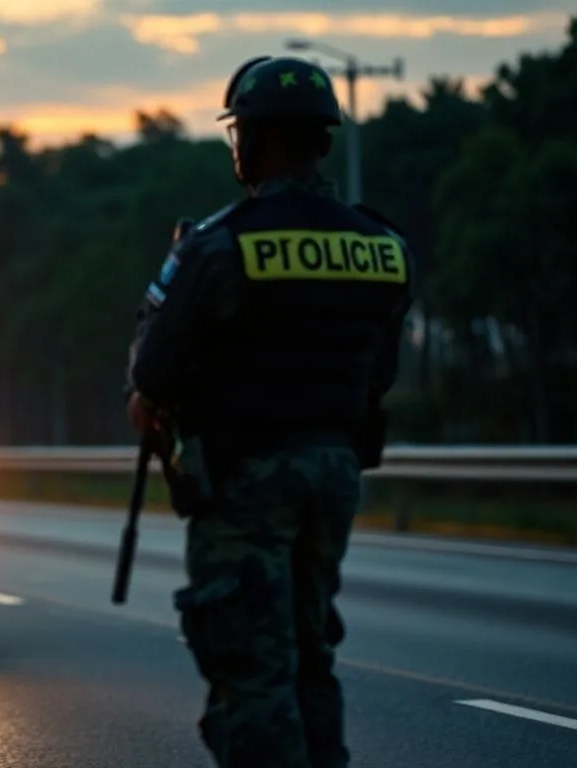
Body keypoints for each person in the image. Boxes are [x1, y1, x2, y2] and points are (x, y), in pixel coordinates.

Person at [124, 55, 416, 767]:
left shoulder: (220, 243)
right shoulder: (383, 245)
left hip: (246, 478)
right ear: (322, 139)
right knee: (310, 654)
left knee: (251, 669)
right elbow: (379, 374)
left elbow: (153, 369)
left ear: (253, 139)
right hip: (335, 473)